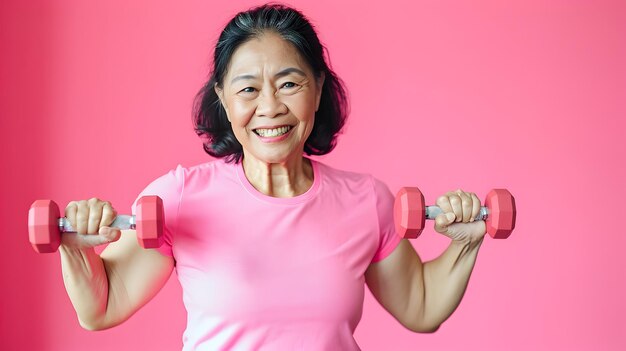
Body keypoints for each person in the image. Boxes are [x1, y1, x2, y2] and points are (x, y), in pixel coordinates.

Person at [59, 4, 488, 350]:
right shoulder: (179, 198)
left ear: (318, 89)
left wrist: (466, 242)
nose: (270, 107)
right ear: (222, 99)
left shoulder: (367, 201)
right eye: (248, 89)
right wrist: (77, 251)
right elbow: (102, 306)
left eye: (288, 84)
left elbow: (422, 305)